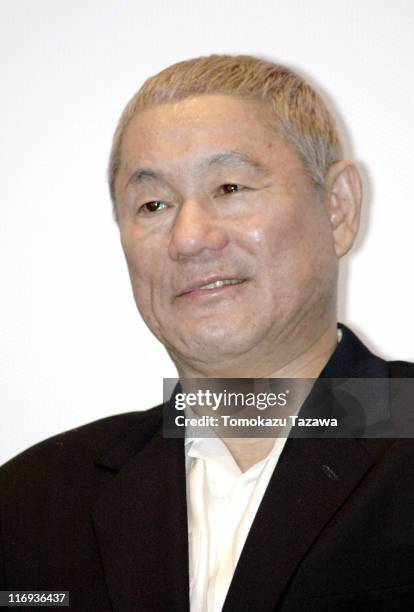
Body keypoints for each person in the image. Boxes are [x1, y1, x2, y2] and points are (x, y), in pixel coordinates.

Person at [0, 54, 413, 611]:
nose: (190, 237)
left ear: (337, 208)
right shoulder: (30, 503)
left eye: (230, 188)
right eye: (153, 204)